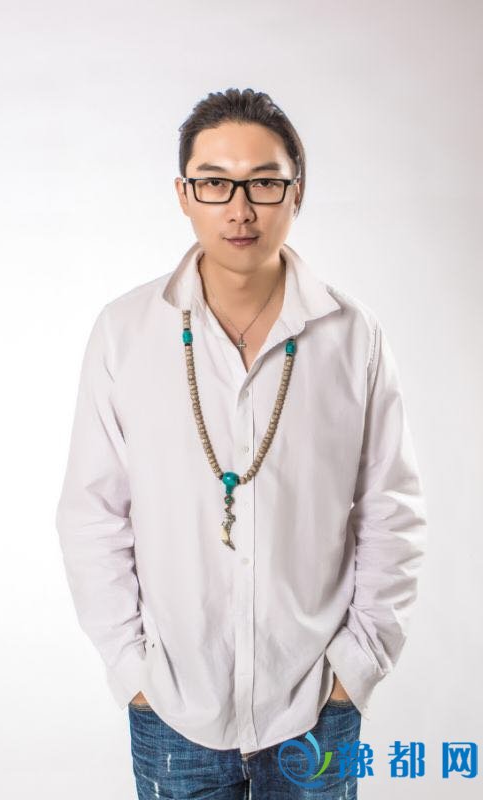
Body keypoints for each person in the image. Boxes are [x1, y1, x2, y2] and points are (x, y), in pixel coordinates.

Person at [55, 87, 427, 799]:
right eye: (215, 182)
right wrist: (132, 670)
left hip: (316, 705)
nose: (240, 208)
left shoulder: (353, 337)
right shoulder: (125, 332)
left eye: (264, 182)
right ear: (183, 194)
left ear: (297, 192)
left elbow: (392, 509)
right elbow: (92, 511)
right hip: (174, 708)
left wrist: (355, 669)